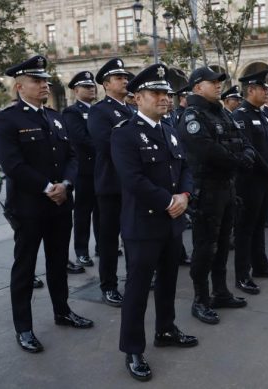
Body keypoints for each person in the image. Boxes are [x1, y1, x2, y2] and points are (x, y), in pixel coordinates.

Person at [0, 55, 93, 354]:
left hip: (60, 205)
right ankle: (24, 327)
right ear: (20, 86)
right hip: (29, 208)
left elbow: (73, 157)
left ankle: (62, 311)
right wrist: (49, 187)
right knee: (24, 268)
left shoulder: (55, 117)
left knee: (58, 263)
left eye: (45, 80)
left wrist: (67, 184)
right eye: (37, 81)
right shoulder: (7, 119)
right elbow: (12, 164)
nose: (44, 85)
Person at [111, 64, 198, 382]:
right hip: (143, 225)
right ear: (137, 98)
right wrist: (168, 201)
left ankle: (166, 329)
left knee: (169, 282)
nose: (165, 98)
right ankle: (133, 348)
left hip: (172, 222)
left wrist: (185, 195)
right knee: (137, 288)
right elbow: (132, 180)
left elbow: (186, 167)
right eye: (157, 93)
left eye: (167, 93)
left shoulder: (170, 130)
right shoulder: (125, 133)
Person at [177, 66, 255, 325]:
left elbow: (240, 138)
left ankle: (220, 291)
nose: (218, 85)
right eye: (213, 82)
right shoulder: (192, 115)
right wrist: (238, 160)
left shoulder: (221, 111)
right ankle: (200, 299)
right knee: (205, 247)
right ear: (198, 87)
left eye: (219, 81)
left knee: (223, 244)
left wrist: (245, 155)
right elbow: (207, 150)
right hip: (207, 190)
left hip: (226, 188)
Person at [232, 70, 268, 296]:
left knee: (260, 225)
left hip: (267, 180)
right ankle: (243, 275)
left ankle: (261, 265)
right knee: (245, 229)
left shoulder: (263, 115)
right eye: (263, 89)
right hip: (250, 181)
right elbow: (248, 148)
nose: (267, 92)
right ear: (250, 90)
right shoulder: (240, 116)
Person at [88, 58, 134, 307]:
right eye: (119, 78)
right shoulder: (99, 111)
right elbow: (106, 144)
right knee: (109, 240)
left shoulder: (130, 109)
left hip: (131, 185)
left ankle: (134, 278)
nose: (125, 80)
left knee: (131, 235)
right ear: (106, 84)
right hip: (111, 185)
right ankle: (108, 285)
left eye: (126, 77)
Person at [63, 71, 98, 271]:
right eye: (86, 87)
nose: (91, 88)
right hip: (84, 171)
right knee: (83, 213)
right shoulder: (72, 112)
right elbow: (81, 138)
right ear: (76, 91)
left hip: (101, 169)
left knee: (102, 212)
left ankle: (102, 247)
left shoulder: (97, 110)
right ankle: (82, 251)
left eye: (92, 86)